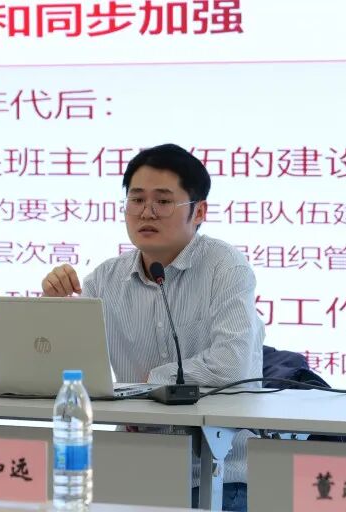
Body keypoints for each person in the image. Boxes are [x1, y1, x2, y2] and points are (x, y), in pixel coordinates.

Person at [42, 143, 263, 511]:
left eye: (163, 201)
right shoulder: (105, 280)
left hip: (220, 474)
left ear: (199, 211)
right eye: (136, 200)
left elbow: (231, 365)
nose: (146, 212)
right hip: (134, 467)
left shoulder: (226, 268)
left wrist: (151, 381)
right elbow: (67, 370)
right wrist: (52, 306)